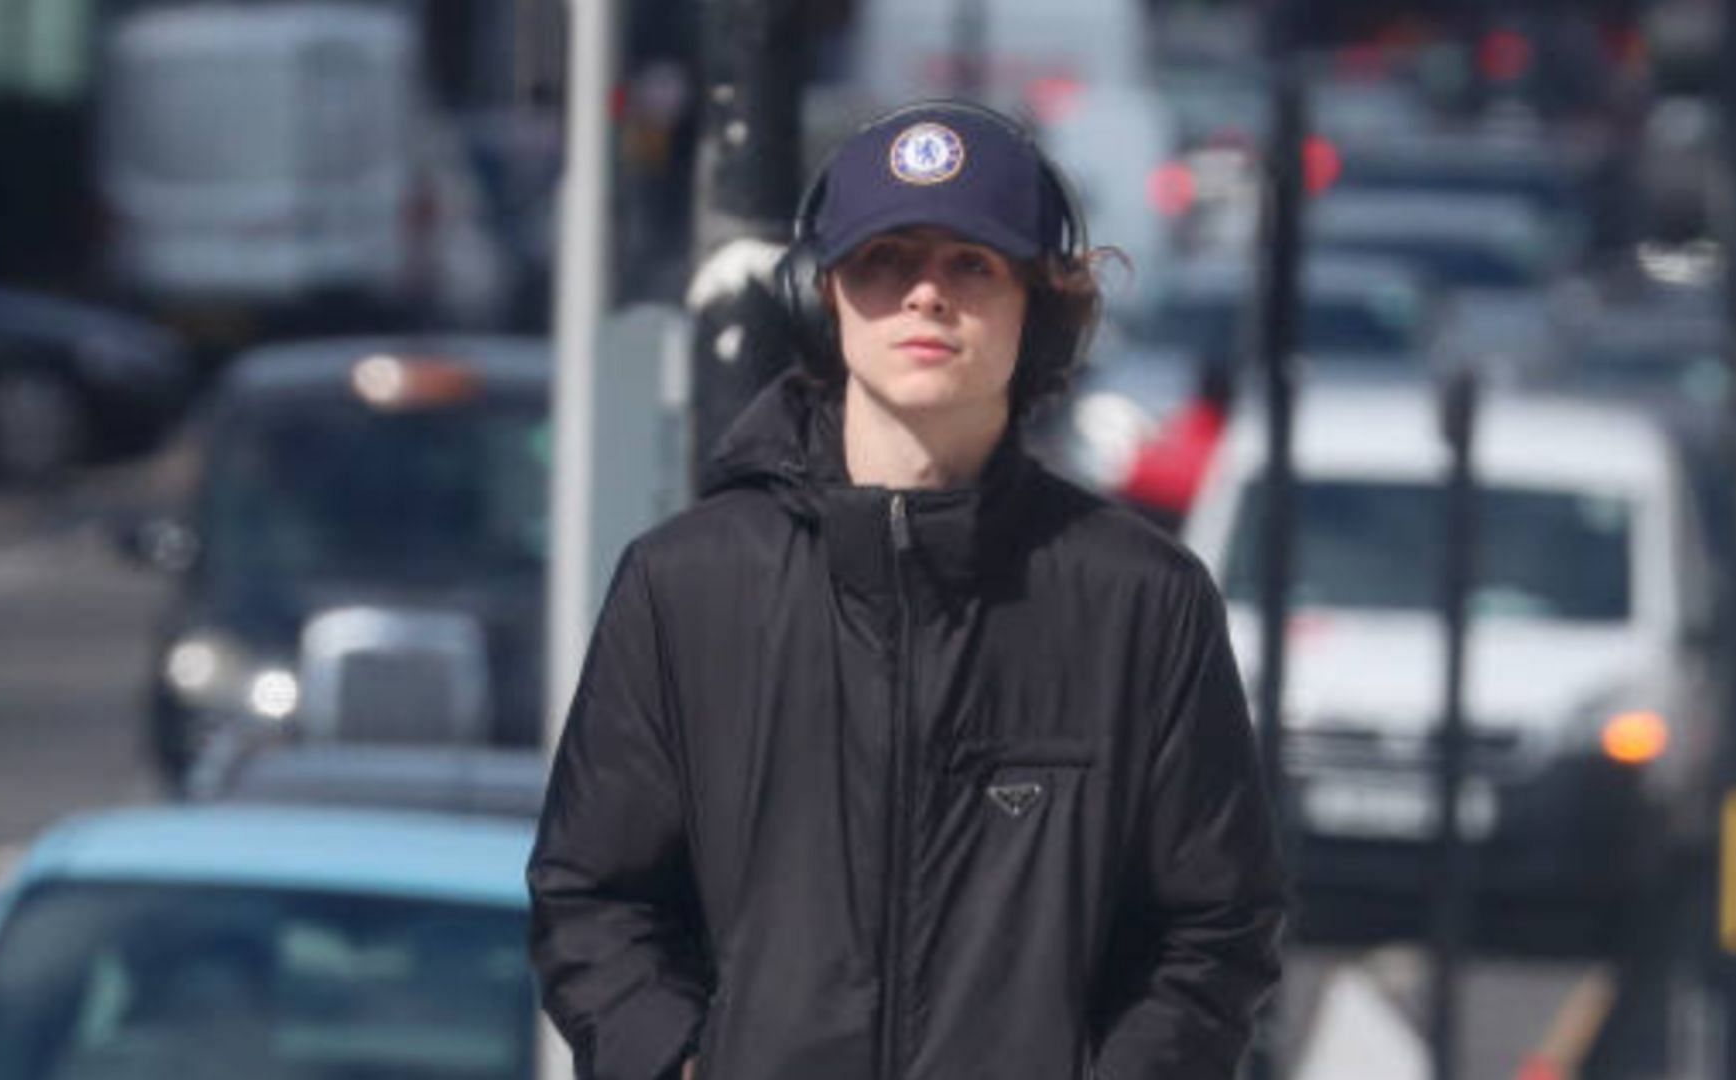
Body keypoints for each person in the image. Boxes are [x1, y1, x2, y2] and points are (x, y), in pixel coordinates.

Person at [528, 100, 1287, 1080]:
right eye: (886, 260)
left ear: (1040, 308)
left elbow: (1215, 931)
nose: (925, 296)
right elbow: (592, 897)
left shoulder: (1145, 602)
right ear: (822, 296)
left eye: (971, 264)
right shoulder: (686, 585)